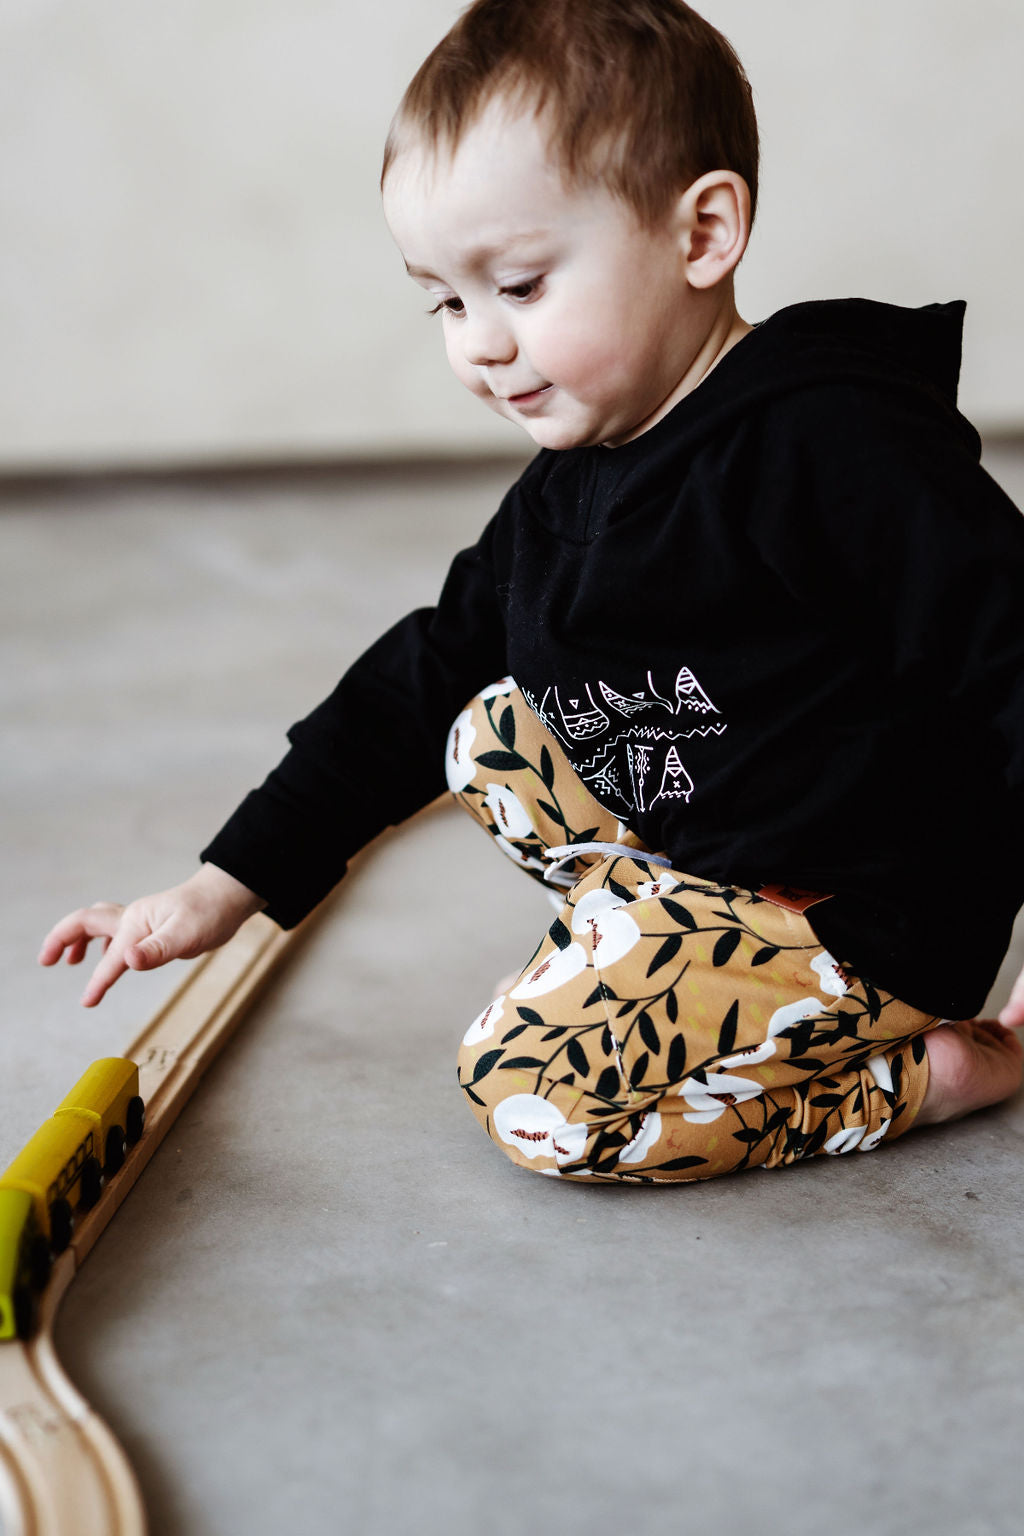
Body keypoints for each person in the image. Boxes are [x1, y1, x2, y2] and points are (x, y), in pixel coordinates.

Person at [40, 0, 1023, 1181]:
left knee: (535, 1100)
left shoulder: (832, 445)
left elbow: (1007, 653)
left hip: (867, 906)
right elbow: (424, 666)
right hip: (722, 832)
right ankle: (675, 942)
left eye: (518, 284)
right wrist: (221, 885)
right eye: (446, 300)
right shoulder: (578, 478)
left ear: (701, 233)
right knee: (484, 730)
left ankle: (918, 1072)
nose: (479, 345)